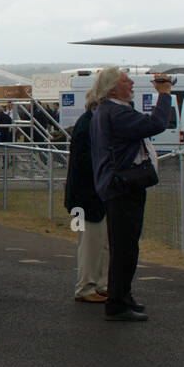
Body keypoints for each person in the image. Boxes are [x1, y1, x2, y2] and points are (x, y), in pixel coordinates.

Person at [89, 68, 173, 322]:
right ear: (113, 87)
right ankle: (117, 303)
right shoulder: (117, 113)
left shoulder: (107, 110)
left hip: (117, 186)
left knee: (125, 246)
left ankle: (122, 296)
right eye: (126, 80)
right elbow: (156, 124)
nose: (132, 83)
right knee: (125, 248)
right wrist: (165, 94)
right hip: (123, 187)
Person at [64, 92, 109, 303]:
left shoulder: (89, 123)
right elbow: (85, 165)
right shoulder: (88, 125)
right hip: (86, 197)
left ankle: (100, 283)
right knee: (90, 244)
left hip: (88, 196)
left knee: (100, 243)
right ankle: (86, 287)